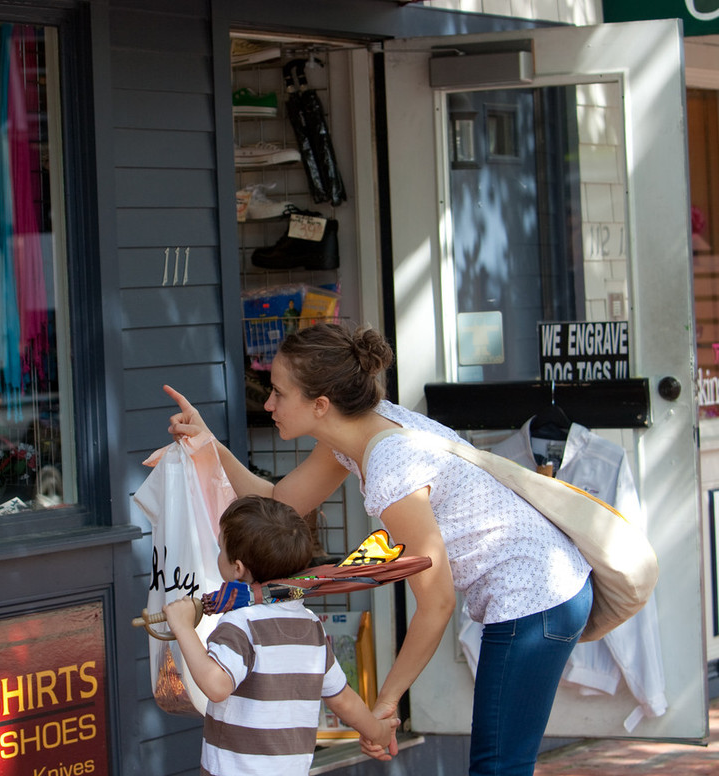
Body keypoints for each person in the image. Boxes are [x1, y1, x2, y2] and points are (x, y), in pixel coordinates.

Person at [165, 322, 594, 776]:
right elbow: (279, 503)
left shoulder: (391, 466)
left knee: (498, 767)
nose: (268, 404)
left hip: (537, 596)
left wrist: (386, 703)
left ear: (321, 404)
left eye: (277, 392)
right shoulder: (356, 429)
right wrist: (208, 446)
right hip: (542, 591)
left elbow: (437, 602)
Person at [162, 494, 399, 775]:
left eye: (220, 548)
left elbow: (216, 686)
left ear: (237, 568)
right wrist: (377, 730)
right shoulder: (311, 626)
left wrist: (183, 627)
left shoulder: (241, 623)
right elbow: (342, 698)